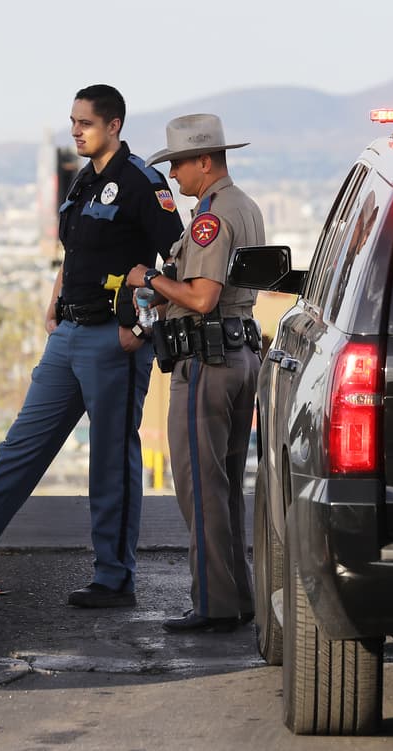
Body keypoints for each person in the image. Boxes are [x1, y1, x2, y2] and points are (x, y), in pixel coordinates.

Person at [0, 84, 184, 608]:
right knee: (21, 448)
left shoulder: (143, 183)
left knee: (110, 460)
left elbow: (179, 263)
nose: (76, 130)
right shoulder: (82, 182)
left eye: (87, 123)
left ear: (115, 125)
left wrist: (143, 328)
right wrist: (54, 304)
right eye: (73, 121)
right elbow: (73, 253)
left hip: (114, 341)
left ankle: (114, 577)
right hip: (70, 335)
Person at [127, 114, 263, 632]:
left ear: (205, 161)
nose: (176, 175)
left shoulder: (211, 216)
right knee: (225, 486)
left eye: (180, 164)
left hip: (206, 361)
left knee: (200, 487)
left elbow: (202, 297)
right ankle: (236, 596)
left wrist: (152, 278)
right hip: (239, 352)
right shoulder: (244, 206)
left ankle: (212, 604)